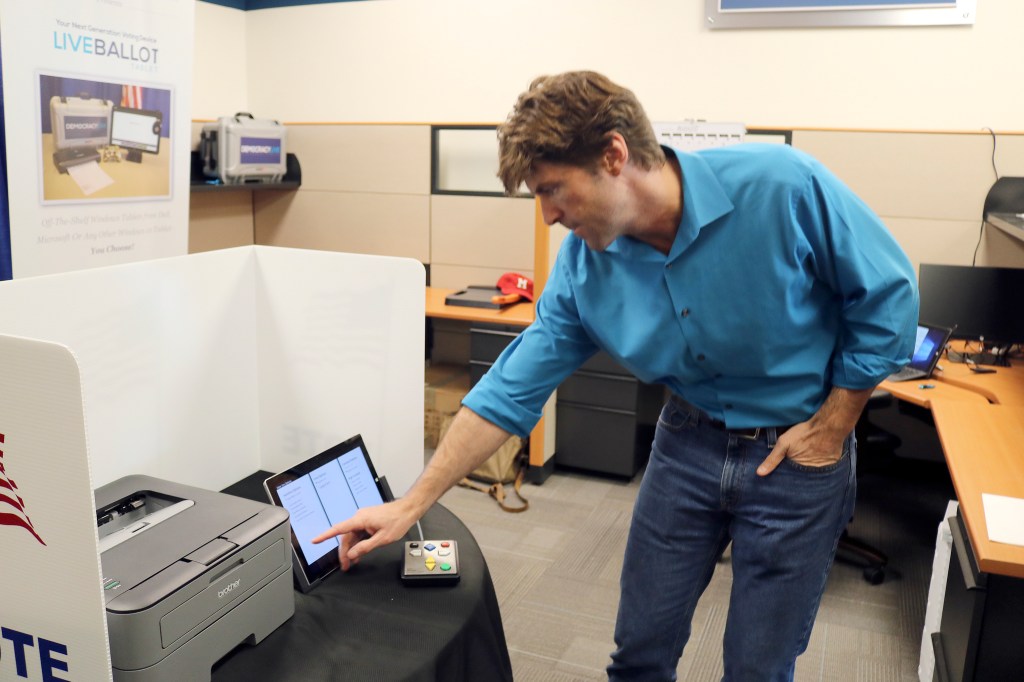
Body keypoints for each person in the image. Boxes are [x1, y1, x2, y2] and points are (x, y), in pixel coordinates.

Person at [314, 71, 918, 681]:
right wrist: (410, 504)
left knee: (758, 669)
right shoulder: (584, 265)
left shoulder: (781, 186)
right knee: (638, 655)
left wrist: (836, 424)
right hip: (686, 445)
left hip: (798, 455)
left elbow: (888, 296)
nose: (548, 215)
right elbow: (508, 388)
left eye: (554, 190)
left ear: (614, 154)